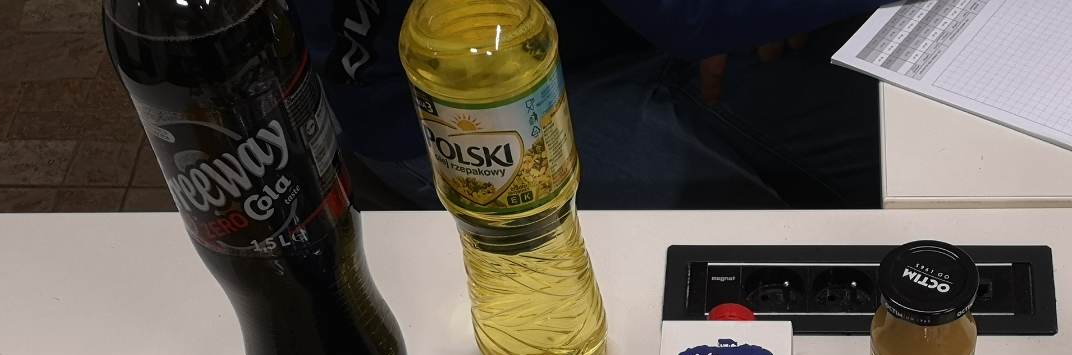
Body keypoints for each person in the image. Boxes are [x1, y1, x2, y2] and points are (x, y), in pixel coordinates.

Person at [292, 0, 882, 210]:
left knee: (879, 162)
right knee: (747, 265)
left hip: (612, 31)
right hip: (454, 105)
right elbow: (691, 13)